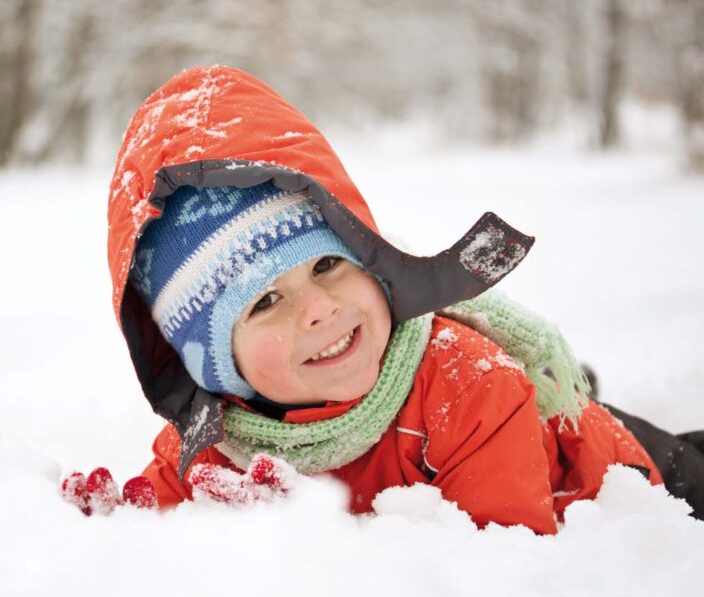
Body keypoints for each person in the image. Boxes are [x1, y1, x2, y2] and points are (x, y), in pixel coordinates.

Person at [64, 65, 704, 531]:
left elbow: (500, 574)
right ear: (210, 365)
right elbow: (157, 526)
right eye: (263, 303)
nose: (317, 308)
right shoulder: (214, 443)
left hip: (635, 476)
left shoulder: (466, 388)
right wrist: (115, 524)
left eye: (326, 265)